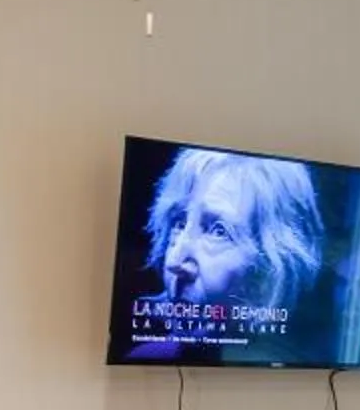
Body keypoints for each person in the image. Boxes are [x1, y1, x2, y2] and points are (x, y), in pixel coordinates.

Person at [127, 147, 329, 359]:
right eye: (179, 222)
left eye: (218, 231)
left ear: (269, 271)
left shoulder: (299, 359)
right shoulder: (152, 356)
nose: (174, 261)